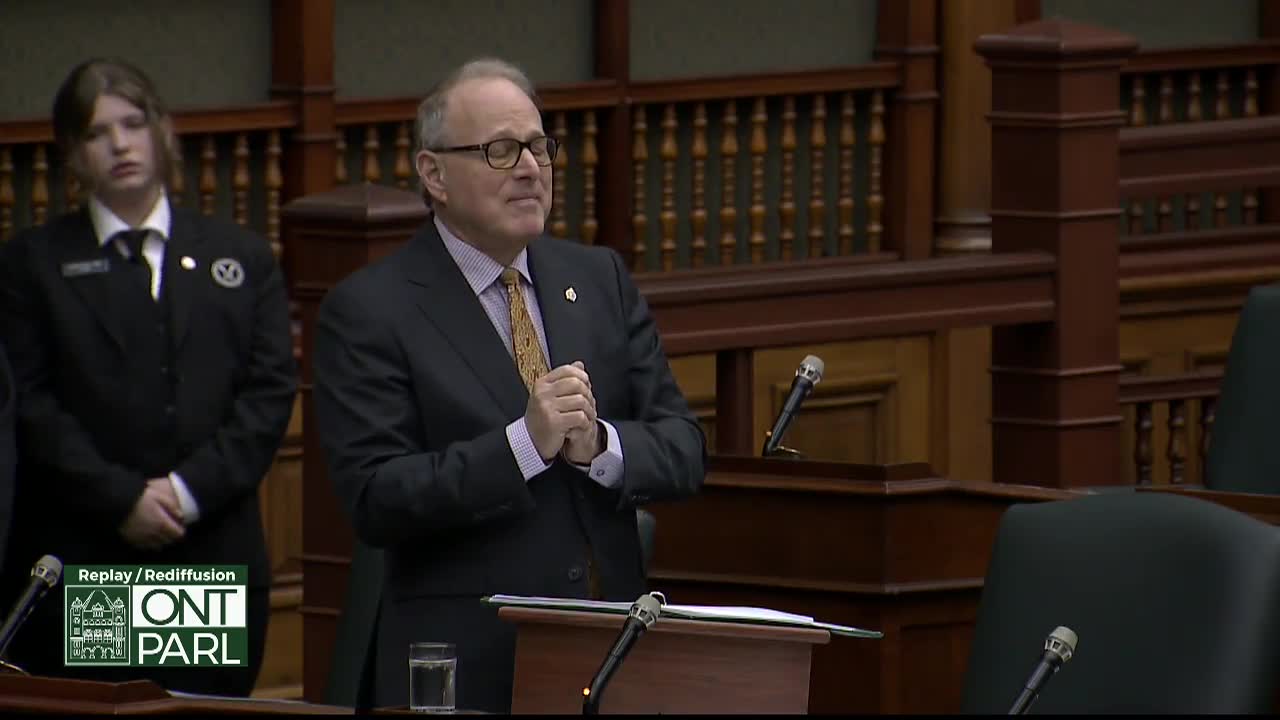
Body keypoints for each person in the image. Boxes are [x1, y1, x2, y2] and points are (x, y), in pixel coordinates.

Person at [312, 57, 706, 713]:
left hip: (609, 651)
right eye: (499, 150)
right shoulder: (371, 309)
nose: (530, 167)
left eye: (539, 146)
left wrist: (599, 446)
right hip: (463, 664)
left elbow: (684, 448)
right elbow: (377, 496)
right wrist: (524, 444)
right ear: (434, 174)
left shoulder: (598, 278)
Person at [0, 58, 296, 695]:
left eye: (133, 123)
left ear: (162, 131)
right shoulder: (32, 266)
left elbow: (268, 396)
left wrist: (184, 493)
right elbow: (30, 405)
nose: (120, 144)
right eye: (97, 132)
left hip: (209, 549)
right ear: (72, 154)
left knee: (201, 712)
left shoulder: (240, 256)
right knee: (107, 709)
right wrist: (124, 499)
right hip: (94, 552)